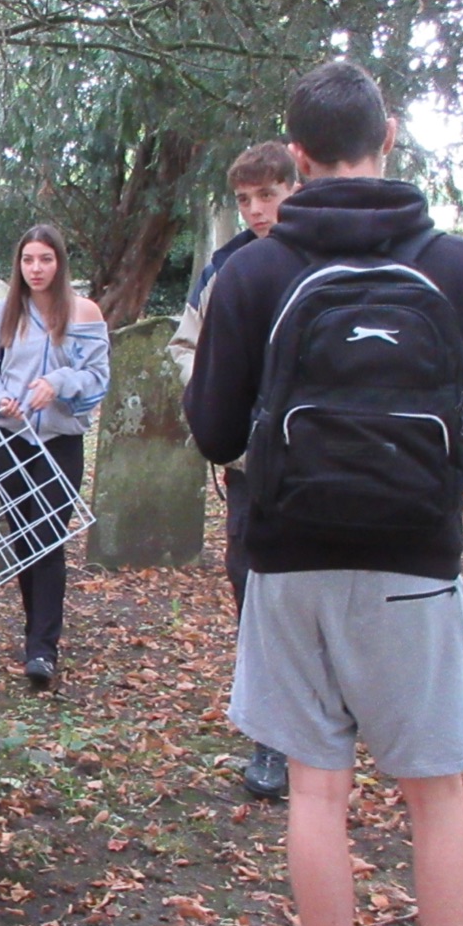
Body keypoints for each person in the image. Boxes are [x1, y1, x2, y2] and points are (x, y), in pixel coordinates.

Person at [183, 61, 463, 926]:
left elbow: (212, 431)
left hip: (286, 559)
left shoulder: (253, 274)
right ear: (389, 137)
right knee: (435, 797)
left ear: (294, 157)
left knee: (316, 789)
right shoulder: (458, 270)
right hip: (415, 565)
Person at [169, 142, 301, 800]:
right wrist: (223, 410)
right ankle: (271, 736)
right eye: (245, 199)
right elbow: (185, 347)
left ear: (295, 188)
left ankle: (329, 720)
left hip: (325, 465)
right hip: (251, 463)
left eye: (268, 195)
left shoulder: (328, 259)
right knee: (254, 588)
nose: (256, 210)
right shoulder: (225, 268)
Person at [0, 225, 110, 687]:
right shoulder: (5, 312)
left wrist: (60, 383)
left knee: (48, 540)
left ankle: (43, 650)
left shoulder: (85, 312)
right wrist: (0, 398)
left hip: (60, 442)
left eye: (45, 259)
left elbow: (98, 377)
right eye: (28, 260)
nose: (36, 269)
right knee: (23, 539)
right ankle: (35, 632)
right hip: (10, 440)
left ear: (60, 262)